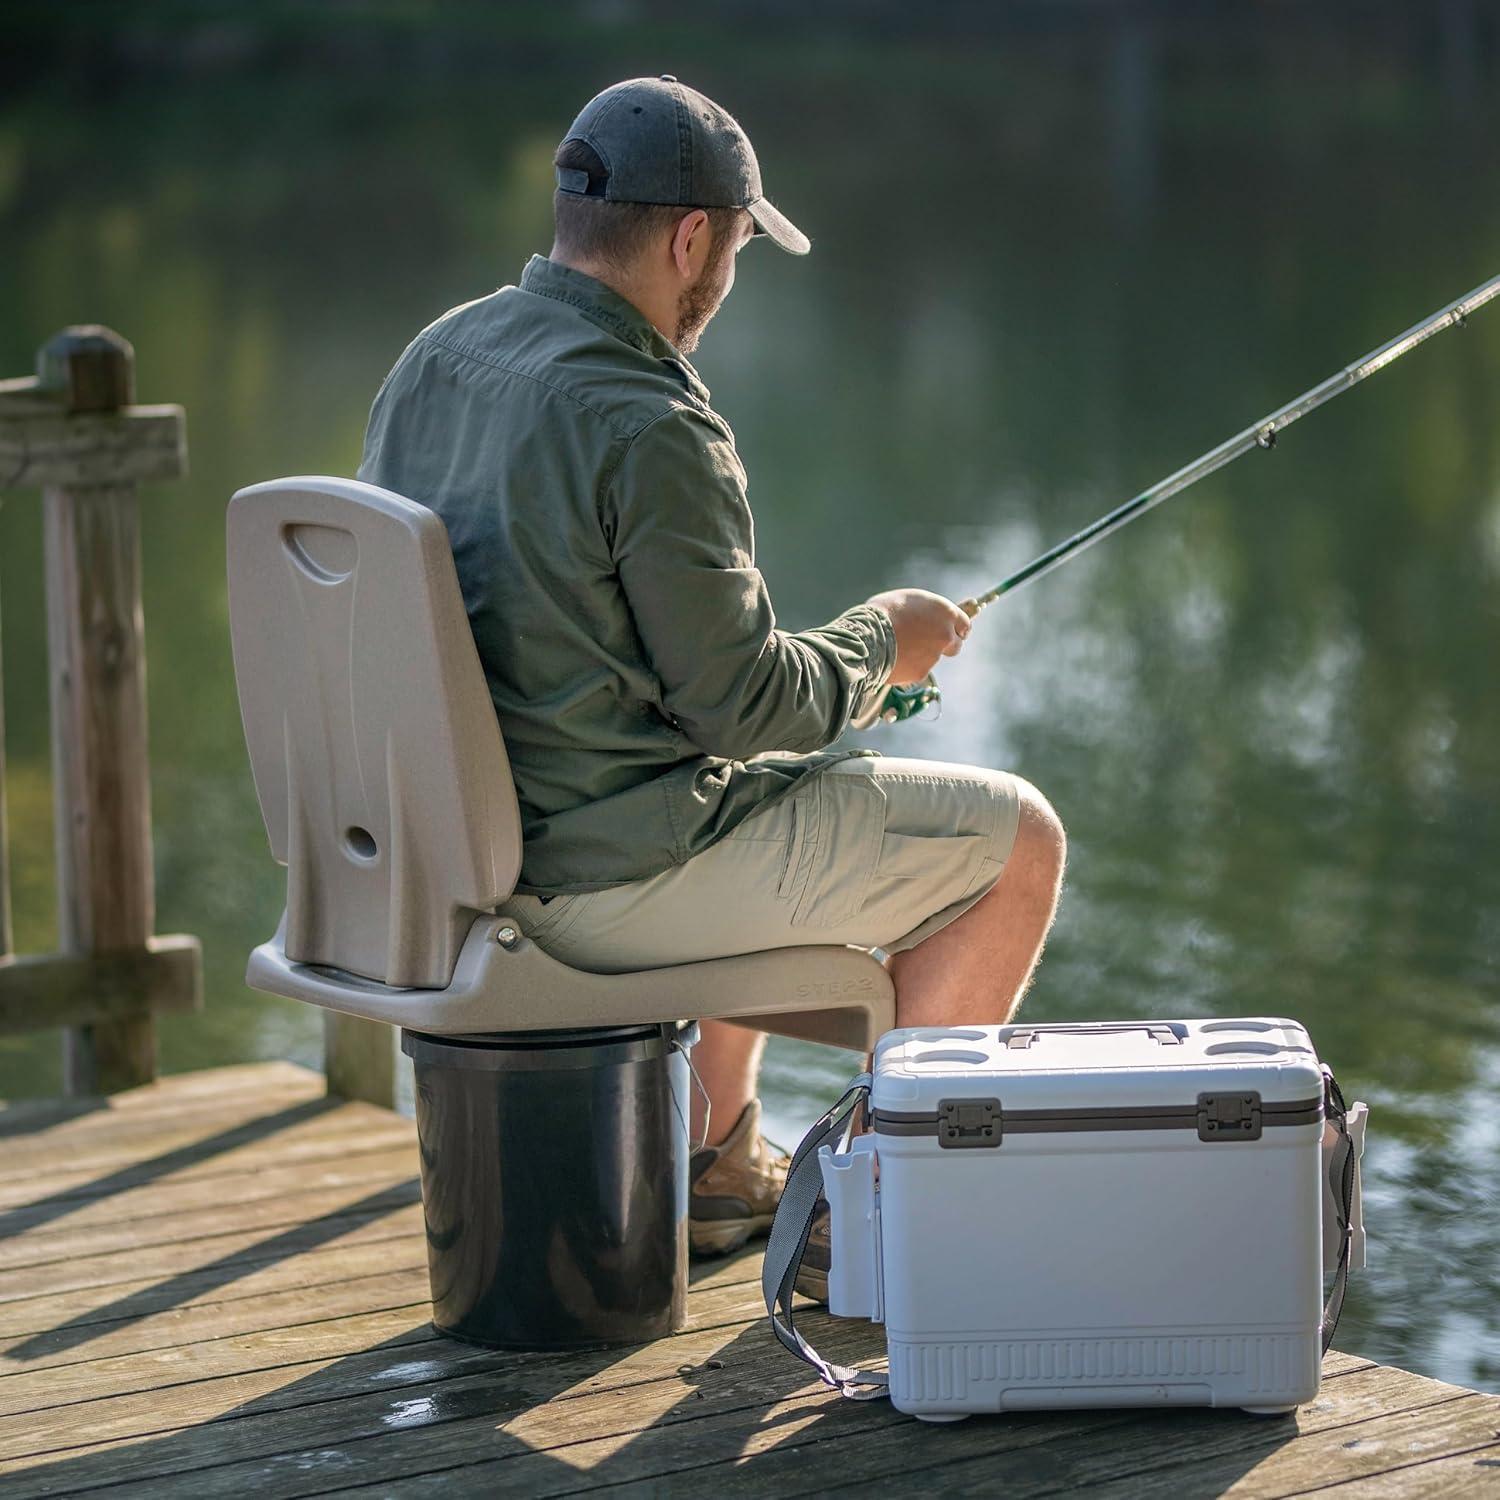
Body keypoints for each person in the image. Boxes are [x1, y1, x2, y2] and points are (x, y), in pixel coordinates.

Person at [358, 76, 1066, 1290]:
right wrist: (880, 642)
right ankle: (899, 1228)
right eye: (738, 243)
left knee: (775, 778)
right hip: (597, 884)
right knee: (1017, 844)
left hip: (443, 859)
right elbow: (747, 702)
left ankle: (714, 1159)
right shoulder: (650, 420)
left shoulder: (437, 358)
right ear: (692, 236)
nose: (730, 279)